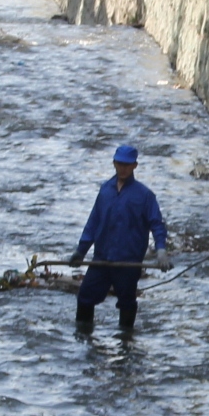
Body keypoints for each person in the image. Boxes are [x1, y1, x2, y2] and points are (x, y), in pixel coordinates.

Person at [70, 142, 169, 331]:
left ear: (134, 166)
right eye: (120, 164)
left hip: (128, 262)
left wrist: (161, 250)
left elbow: (156, 224)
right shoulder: (105, 190)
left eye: (127, 164)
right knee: (85, 297)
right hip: (102, 259)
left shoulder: (145, 195)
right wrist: (80, 251)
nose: (123, 168)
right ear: (114, 163)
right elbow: (93, 223)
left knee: (126, 302)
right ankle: (83, 337)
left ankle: (126, 342)